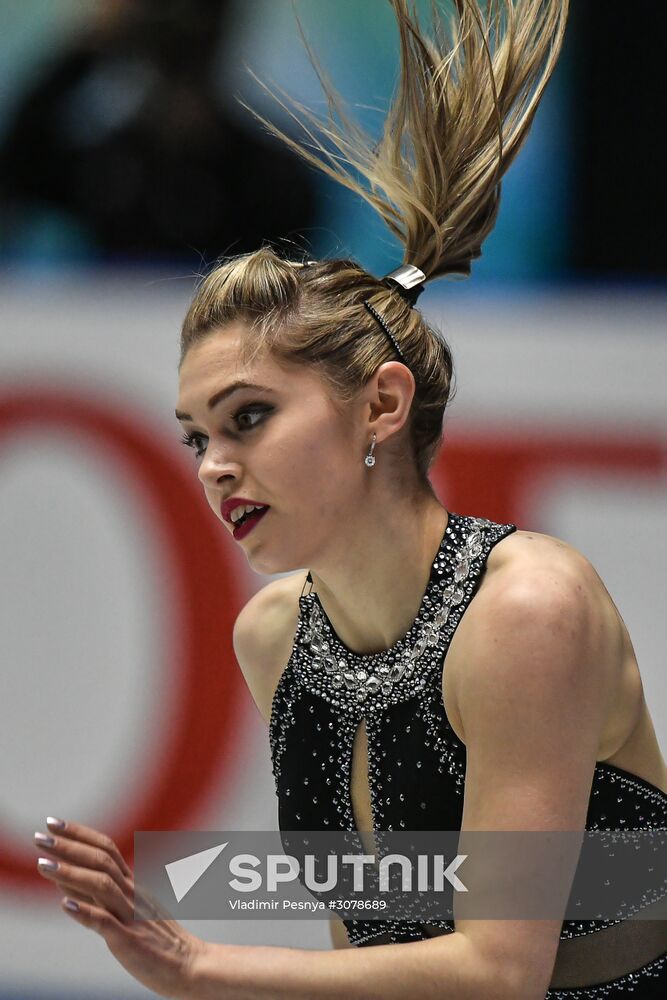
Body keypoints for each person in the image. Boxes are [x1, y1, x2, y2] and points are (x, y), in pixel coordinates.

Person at [34, 1, 667, 997]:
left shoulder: (525, 611)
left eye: (248, 418)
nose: (211, 465)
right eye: (197, 436)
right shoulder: (276, 637)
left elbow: (504, 969)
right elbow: (374, 962)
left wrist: (199, 962)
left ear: (380, 405)